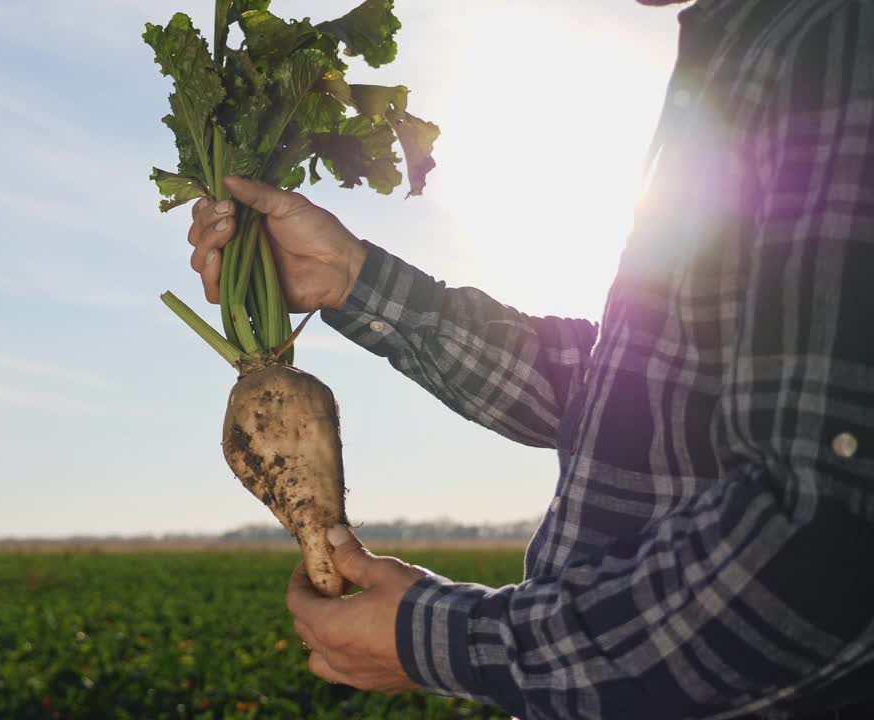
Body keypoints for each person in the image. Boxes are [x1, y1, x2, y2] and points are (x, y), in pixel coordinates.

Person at [184, 0, 873, 717]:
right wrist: (353, 279)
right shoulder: (746, 42)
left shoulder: (834, 40)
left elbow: (820, 550)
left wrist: (441, 641)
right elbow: (637, 394)